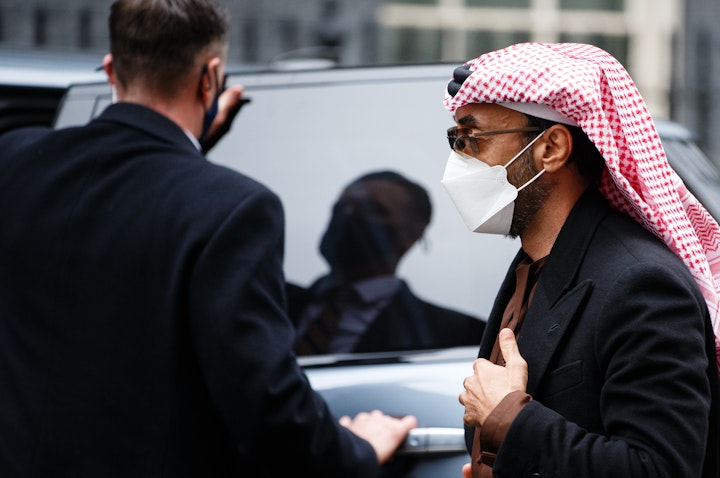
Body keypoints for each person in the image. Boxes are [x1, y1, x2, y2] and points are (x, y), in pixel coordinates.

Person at [0, 1, 417, 476]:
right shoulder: (231, 208)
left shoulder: (12, 160)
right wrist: (357, 450)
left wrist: (185, 157)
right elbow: (265, 404)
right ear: (210, 78)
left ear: (112, 69)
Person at [440, 43, 720, 477]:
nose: (458, 160)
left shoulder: (642, 286)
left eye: (471, 139)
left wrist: (511, 420)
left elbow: (659, 469)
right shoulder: (532, 267)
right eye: (455, 140)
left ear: (551, 148)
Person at [289, 170, 485, 355]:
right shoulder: (271, 302)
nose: (348, 214)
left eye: (372, 209)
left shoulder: (461, 336)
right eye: (342, 205)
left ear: (411, 234)